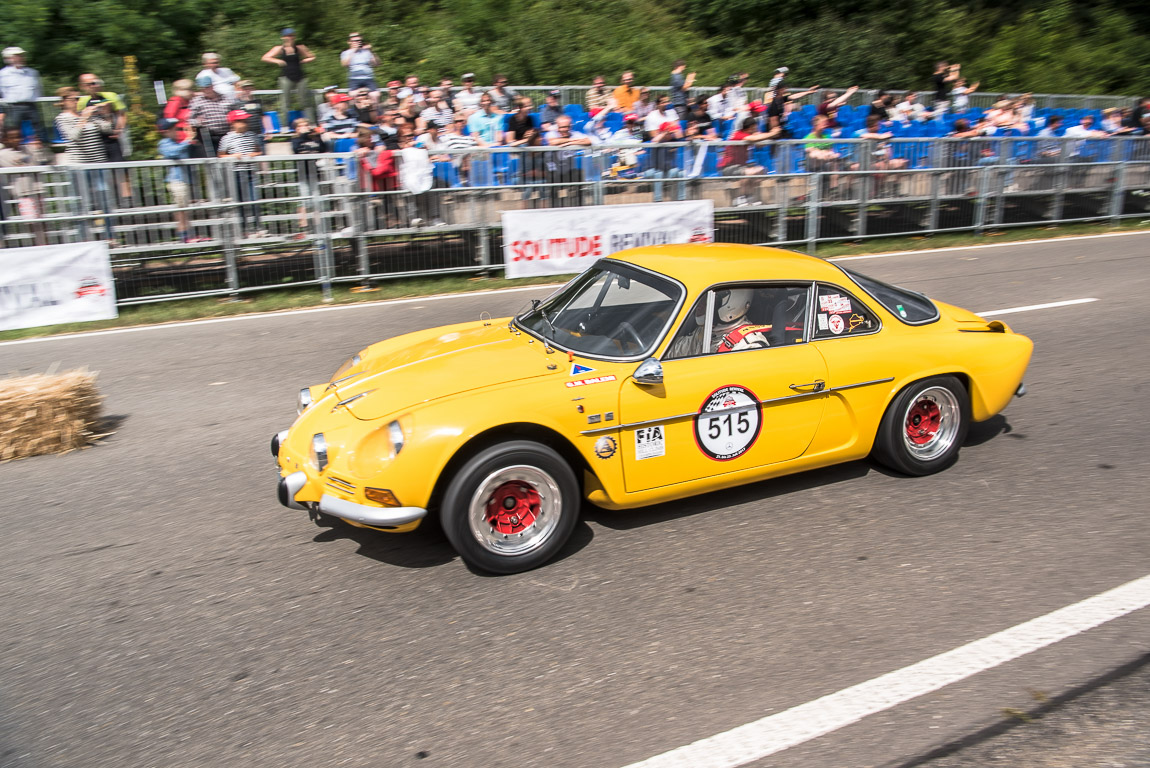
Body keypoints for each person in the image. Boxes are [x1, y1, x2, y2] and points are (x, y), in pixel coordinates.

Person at [217, 109, 264, 237]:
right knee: (241, 202)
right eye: (241, 121)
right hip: (236, 172)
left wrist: (254, 154)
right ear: (234, 123)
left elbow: (259, 151)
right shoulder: (227, 138)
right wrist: (232, 156)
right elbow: (221, 155)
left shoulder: (252, 135)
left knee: (254, 200)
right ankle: (244, 229)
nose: (245, 123)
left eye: (245, 121)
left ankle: (258, 227)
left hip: (250, 171)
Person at [156, 117, 200, 243]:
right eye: (174, 129)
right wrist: (187, 140)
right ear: (165, 131)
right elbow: (172, 153)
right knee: (181, 210)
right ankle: (184, 236)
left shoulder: (178, 143)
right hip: (176, 181)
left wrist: (191, 139)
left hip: (184, 181)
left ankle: (188, 235)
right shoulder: (164, 143)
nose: (177, 131)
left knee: (184, 210)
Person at [262, 28, 316, 124]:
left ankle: (312, 123)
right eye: (287, 36)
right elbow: (265, 57)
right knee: (285, 103)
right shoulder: (279, 48)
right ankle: (284, 125)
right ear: (283, 37)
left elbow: (312, 56)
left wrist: (304, 61)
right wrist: (277, 60)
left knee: (305, 102)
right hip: (286, 76)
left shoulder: (299, 47)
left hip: (300, 76)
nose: (290, 37)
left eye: (291, 35)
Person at [290, 117, 330, 237]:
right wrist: (303, 135)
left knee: (316, 200)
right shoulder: (295, 140)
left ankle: (317, 226)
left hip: (315, 172)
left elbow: (324, 148)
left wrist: (319, 135)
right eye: (302, 126)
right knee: (304, 200)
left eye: (307, 125)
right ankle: (304, 226)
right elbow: (296, 149)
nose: (306, 127)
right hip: (303, 173)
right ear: (297, 129)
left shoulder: (315, 139)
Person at [719, 116, 771, 206]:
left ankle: (749, 196)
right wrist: (772, 133)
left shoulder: (748, 135)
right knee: (748, 173)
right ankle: (740, 198)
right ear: (749, 128)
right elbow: (754, 139)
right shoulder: (738, 134)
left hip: (740, 167)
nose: (756, 129)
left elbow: (760, 145)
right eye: (754, 128)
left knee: (760, 170)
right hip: (728, 168)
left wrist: (760, 136)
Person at [543, 115, 591, 207]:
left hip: (567, 172)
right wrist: (574, 140)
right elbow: (553, 142)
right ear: (557, 127)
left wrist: (570, 143)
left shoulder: (574, 133)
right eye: (562, 127)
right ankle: (554, 208)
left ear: (570, 126)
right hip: (553, 172)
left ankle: (579, 206)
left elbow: (588, 141)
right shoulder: (552, 134)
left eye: (567, 127)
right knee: (552, 179)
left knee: (579, 173)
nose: (565, 129)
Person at [0, 47, 45, 142]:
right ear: (9, 58)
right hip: (13, 107)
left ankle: (42, 150)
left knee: (38, 130)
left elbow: (38, 89)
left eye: (21, 55)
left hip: (31, 105)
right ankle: (12, 151)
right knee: (12, 132)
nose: (21, 58)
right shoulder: (3, 74)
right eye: (17, 56)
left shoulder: (33, 73)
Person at [187, 76, 231, 156]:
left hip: (226, 135)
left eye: (207, 87)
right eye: (202, 88)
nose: (205, 90)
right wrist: (197, 122)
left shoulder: (225, 98)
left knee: (227, 159)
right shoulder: (197, 101)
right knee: (211, 159)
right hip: (208, 136)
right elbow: (190, 119)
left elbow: (233, 111)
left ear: (212, 86)